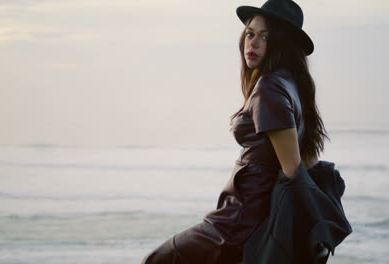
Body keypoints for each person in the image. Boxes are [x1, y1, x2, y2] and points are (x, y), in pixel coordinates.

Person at [141, 0, 330, 263]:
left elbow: (293, 170)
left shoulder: (270, 88)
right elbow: (308, 159)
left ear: (282, 44)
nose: (252, 43)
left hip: (238, 223)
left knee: (157, 260)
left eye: (265, 36)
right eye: (250, 34)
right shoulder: (291, 85)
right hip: (243, 217)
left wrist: (306, 233)